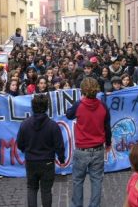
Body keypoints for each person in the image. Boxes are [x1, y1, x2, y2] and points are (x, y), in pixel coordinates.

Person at [65, 78, 111, 207]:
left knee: (78, 180)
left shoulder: (79, 105)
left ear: (83, 91)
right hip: (98, 149)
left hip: (82, 150)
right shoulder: (103, 106)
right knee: (96, 180)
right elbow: (107, 127)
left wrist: (79, 100)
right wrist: (108, 144)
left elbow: (68, 115)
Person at [16, 94, 65, 207]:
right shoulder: (53, 125)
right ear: (47, 107)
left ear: (32, 107)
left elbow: (19, 143)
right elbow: (59, 145)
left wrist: (26, 151)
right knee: (46, 190)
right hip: (47, 161)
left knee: (32, 188)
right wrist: (61, 159)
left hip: (31, 161)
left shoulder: (25, 124)